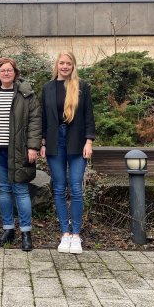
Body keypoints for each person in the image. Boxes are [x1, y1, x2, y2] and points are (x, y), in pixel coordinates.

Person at [0, 57, 42, 252]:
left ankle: (26, 233)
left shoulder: (26, 94)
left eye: (9, 70)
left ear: (15, 73)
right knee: (3, 191)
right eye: (2, 70)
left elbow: (35, 121)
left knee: (20, 190)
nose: (6, 73)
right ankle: (8, 230)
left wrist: (33, 147)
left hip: (19, 151)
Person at [40, 51, 95, 254]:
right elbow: (43, 117)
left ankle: (76, 235)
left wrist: (89, 141)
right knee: (59, 188)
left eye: (68, 63)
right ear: (57, 65)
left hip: (77, 142)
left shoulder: (82, 86)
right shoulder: (47, 87)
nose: (64, 66)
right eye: (61, 63)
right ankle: (65, 233)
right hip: (55, 142)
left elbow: (89, 115)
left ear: (73, 66)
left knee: (76, 188)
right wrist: (42, 142)